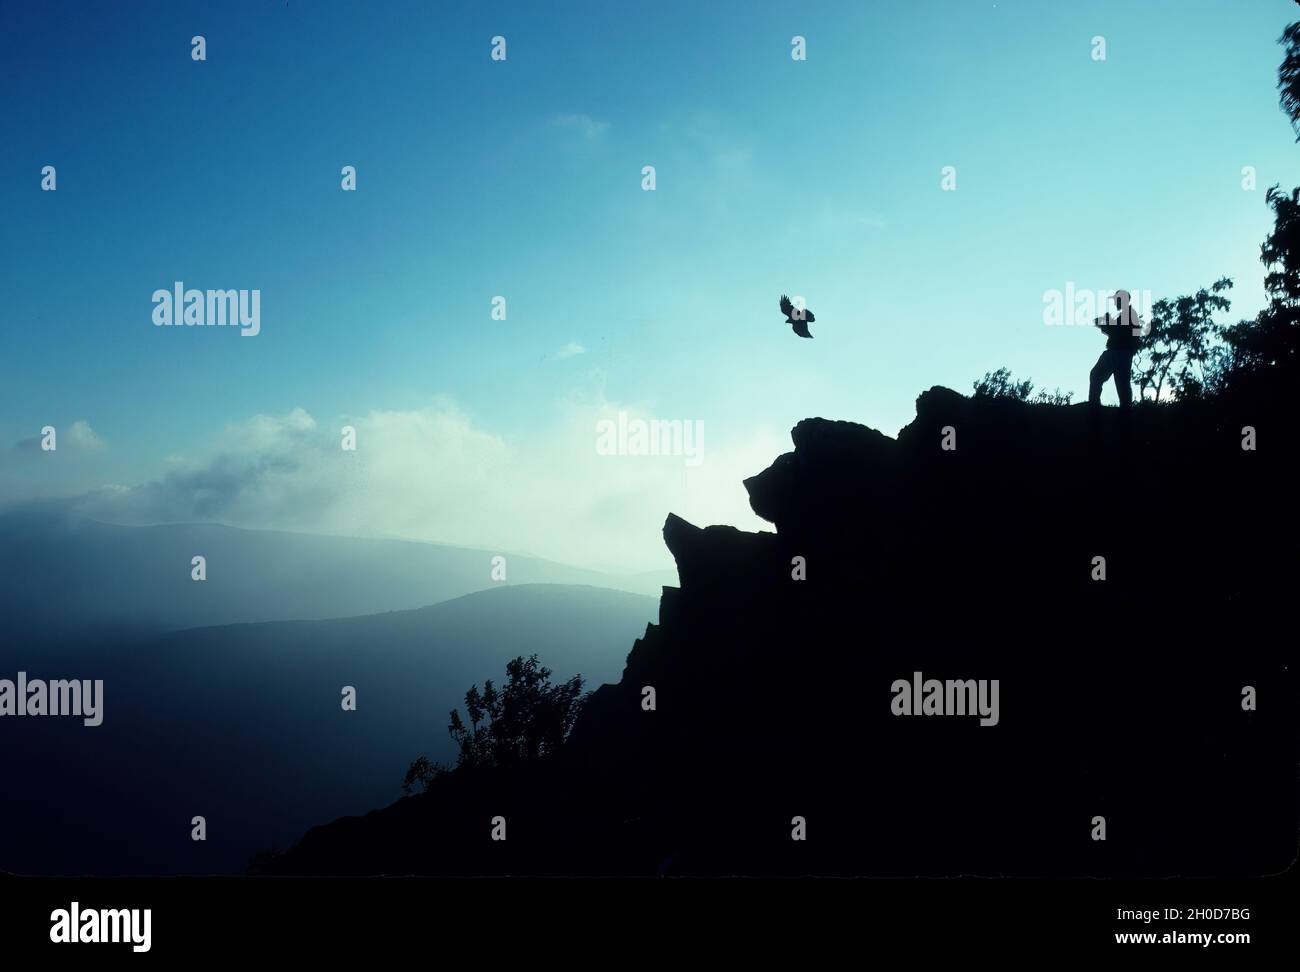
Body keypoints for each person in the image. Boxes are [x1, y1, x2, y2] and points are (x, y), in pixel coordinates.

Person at [1089, 290, 1142, 408]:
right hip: (1118, 352)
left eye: (1116, 300)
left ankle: (1095, 408)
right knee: (1118, 383)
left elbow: (1117, 332)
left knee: (1120, 384)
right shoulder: (1128, 315)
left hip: (1120, 353)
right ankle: (1095, 406)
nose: (1115, 303)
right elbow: (1122, 332)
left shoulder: (1129, 315)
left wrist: (1105, 324)